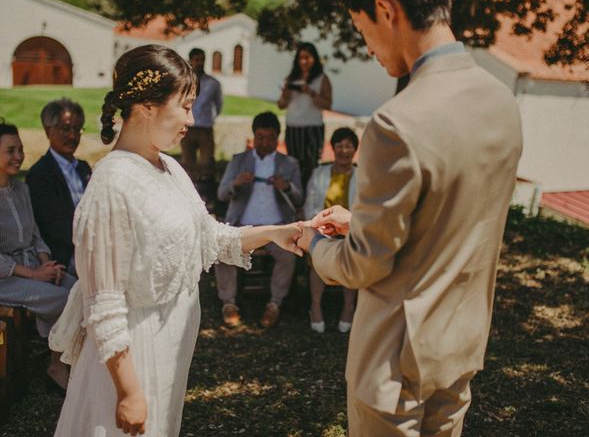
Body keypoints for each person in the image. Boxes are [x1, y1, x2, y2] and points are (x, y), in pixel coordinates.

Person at [298, 0, 523, 436]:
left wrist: (314, 246)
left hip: (396, 369)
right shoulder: (501, 101)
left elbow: (364, 267)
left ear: (386, 9)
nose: (368, 48)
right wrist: (361, 221)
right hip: (460, 349)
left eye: (362, 31)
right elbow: (448, 221)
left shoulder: (395, 124)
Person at [49, 45, 302, 437]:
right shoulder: (112, 184)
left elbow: (209, 235)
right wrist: (129, 392)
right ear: (148, 105)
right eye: (184, 106)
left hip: (171, 348)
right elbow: (105, 304)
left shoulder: (168, 166)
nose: (192, 118)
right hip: (136, 356)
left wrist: (276, 234)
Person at [0, 119, 75, 392]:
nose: (19, 156)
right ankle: (56, 365)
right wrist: (34, 274)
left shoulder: (21, 188)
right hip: (5, 279)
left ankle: (69, 359)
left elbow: (35, 235)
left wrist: (47, 264)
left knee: (80, 290)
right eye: (11, 150)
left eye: (20, 149)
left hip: (33, 266)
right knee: (63, 299)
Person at [215, 111, 303, 329]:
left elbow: (299, 198)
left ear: (278, 138)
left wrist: (288, 187)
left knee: (287, 256)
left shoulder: (289, 164)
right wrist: (236, 183)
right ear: (253, 137)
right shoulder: (239, 160)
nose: (265, 143)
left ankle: (274, 303)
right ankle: (228, 303)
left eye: (270, 137)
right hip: (243, 225)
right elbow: (221, 194)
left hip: (277, 226)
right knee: (224, 250)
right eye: (260, 137)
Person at [26, 99, 91, 276]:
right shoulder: (40, 175)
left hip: (93, 248)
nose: (72, 136)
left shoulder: (83, 168)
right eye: (65, 129)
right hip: (65, 258)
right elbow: (55, 228)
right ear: (48, 131)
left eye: (77, 129)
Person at [303, 127, 358, 334]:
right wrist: (320, 226)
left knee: (352, 256)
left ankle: (349, 306)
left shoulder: (362, 176)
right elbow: (310, 203)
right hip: (323, 227)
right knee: (317, 254)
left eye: (348, 146)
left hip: (349, 230)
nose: (344, 150)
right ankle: (315, 306)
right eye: (340, 146)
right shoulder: (320, 173)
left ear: (354, 150)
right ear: (333, 148)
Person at [277, 42, 332, 187]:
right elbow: (281, 105)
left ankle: (311, 199)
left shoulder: (322, 78)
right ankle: (296, 197)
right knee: (294, 166)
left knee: (311, 166)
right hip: (293, 127)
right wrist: (285, 95)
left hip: (312, 127)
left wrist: (311, 93)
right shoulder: (291, 78)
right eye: (301, 58)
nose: (304, 61)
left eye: (307, 57)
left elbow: (328, 104)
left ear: (314, 58)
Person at [180, 47, 223, 180]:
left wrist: (211, 119)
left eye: (202, 60)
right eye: (197, 60)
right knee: (188, 163)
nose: (200, 63)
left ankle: (205, 190)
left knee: (206, 163)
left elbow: (218, 104)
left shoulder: (213, 83)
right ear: (191, 61)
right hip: (187, 128)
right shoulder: (184, 81)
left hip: (205, 128)